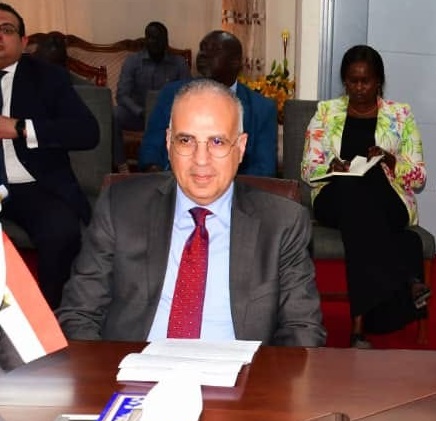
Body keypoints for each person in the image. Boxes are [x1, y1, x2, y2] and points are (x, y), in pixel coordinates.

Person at [57, 79, 325, 347]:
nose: (201, 159)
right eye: (186, 140)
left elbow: (302, 331)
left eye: (217, 142)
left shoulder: (282, 224)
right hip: (135, 374)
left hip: (241, 380)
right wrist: (103, 380)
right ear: (168, 143)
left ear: (241, 147)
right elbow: (79, 314)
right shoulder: (121, 207)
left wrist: (264, 388)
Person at [300, 44, 427, 348]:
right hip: (334, 196)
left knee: (364, 194)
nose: (358, 88)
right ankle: (405, 277)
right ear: (344, 81)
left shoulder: (401, 114)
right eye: (351, 81)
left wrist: (389, 160)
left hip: (389, 200)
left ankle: (359, 326)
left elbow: (419, 175)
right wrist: (330, 166)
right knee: (352, 190)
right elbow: (307, 168)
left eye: (365, 81)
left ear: (378, 81)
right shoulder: (326, 113)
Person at [0, 4, 99, 309]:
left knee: (61, 231)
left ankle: (51, 323)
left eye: (6, 30)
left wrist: (19, 128)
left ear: (24, 39)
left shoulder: (48, 78)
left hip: (34, 186)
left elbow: (86, 132)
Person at [138, 30, 275, 177]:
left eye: (214, 49)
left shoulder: (261, 109)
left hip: (234, 194)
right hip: (175, 187)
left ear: (235, 61)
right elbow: (150, 151)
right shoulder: (173, 94)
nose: (203, 54)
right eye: (202, 48)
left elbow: (264, 170)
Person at [114, 21, 191, 170]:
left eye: (159, 39)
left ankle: (166, 167)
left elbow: (187, 95)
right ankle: (121, 164)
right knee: (114, 114)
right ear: (145, 40)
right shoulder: (133, 61)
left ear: (166, 41)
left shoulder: (179, 63)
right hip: (137, 115)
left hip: (167, 117)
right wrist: (140, 111)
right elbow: (122, 94)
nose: (155, 42)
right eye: (151, 38)